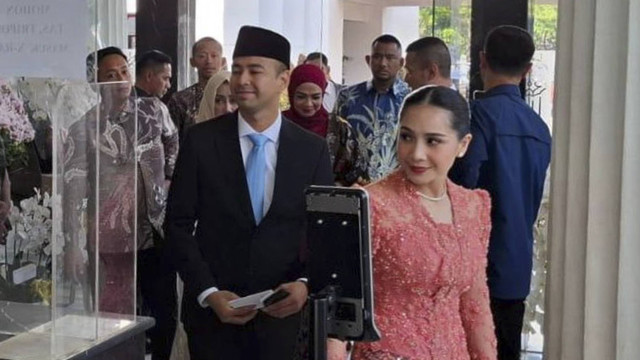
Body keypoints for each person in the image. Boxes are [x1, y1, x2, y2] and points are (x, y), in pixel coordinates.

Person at [164, 26, 334, 360]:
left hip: (282, 319)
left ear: (283, 79)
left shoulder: (311, 150)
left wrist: (304, 284)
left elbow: (323, 232)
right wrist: (208, 293)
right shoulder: (202, 141)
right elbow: (178, 225)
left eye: (255, 71)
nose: (242, 80)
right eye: (238, 69)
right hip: (213, 318)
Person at [330, 86, 497, 360]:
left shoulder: (474, 207)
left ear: (463, 144)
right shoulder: (370, 205)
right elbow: (339, 309)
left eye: (433, 141)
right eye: (407, 137)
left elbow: (475, 303)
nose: (416, 153)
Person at [65, 47, 179, 359]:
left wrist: (167, 178)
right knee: (114, 319)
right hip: (111, 237)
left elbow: (172, 139)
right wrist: (74, 244)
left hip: (155, 229)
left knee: (164, 313)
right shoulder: (83, 127)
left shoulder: (153, 109)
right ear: (94, 83)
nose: (120, 80)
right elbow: (73, 189)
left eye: (123, 72)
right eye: (110, 75)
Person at [449, 25, 552, 360]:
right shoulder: (539, 128)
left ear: (482, 60)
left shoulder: (476, 117)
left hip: (472, 264)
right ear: (528, 70)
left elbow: (463, 188)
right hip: (516, 263)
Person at [336, 34, 410, 182]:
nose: (383, 63)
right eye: (377, 57)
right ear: (368, 60)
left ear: (401, 62)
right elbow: (337, 141)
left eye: (390, 58)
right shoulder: (348, 96)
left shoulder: (411, 99)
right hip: (354, 186)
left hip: (397, 187)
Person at [283, 64, 366, 186]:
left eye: (316, 97)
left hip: (328, 202)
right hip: (281, 202)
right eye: (301, 97)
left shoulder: (340, 129)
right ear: (291, 94)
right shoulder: (277, 125)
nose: (308, 104)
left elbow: (356, 173)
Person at [167, 37, 226, 139]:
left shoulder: (234, 97)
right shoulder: (180, 100)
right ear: (192, 61)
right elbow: (172, 140)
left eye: (214, 56)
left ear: (223, 61)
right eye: (202, 56)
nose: (209, 61)